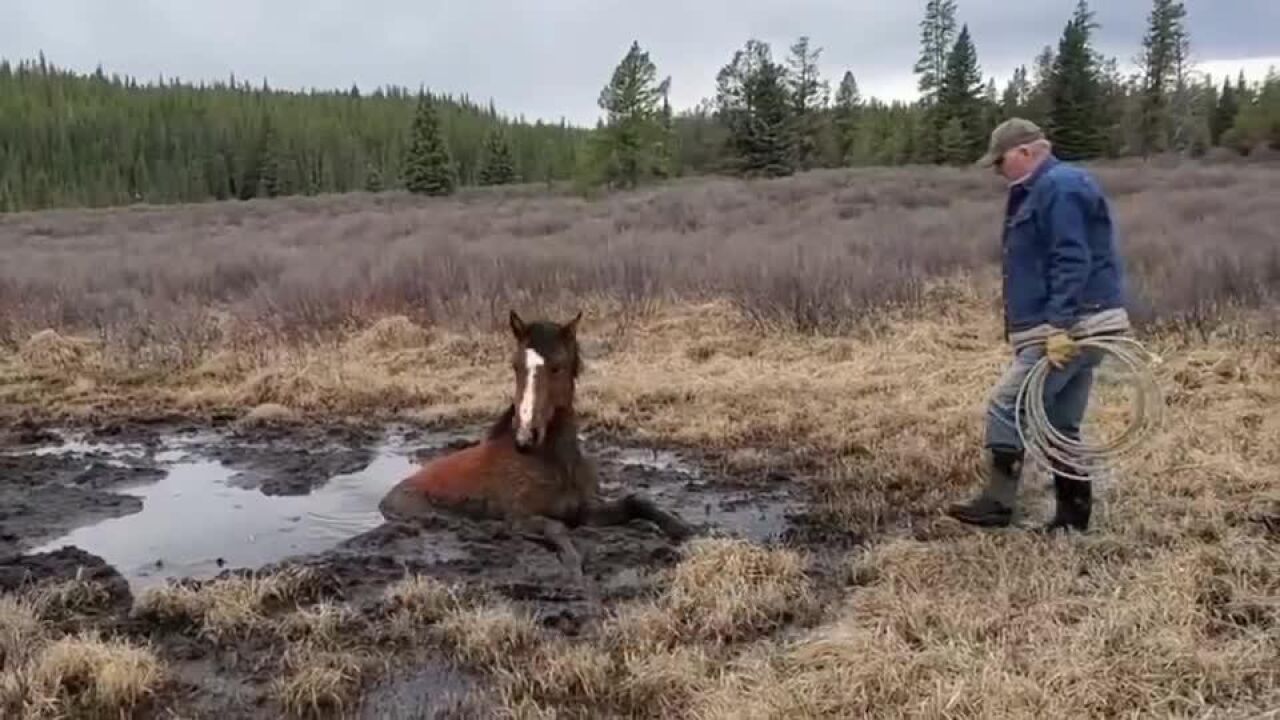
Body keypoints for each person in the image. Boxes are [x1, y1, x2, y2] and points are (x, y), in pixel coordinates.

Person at [946, 118, 1132, 533]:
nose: (997, 171)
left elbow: (1072, 257)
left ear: (1026, 152)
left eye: (1000, 161)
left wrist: (1059, 325)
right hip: (1080, 324)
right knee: (1059, 421)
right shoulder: (1046, 188)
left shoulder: (1058, 188)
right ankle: (1072, 519)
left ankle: (997, 503)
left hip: (1073, 327)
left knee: (1006, 403)